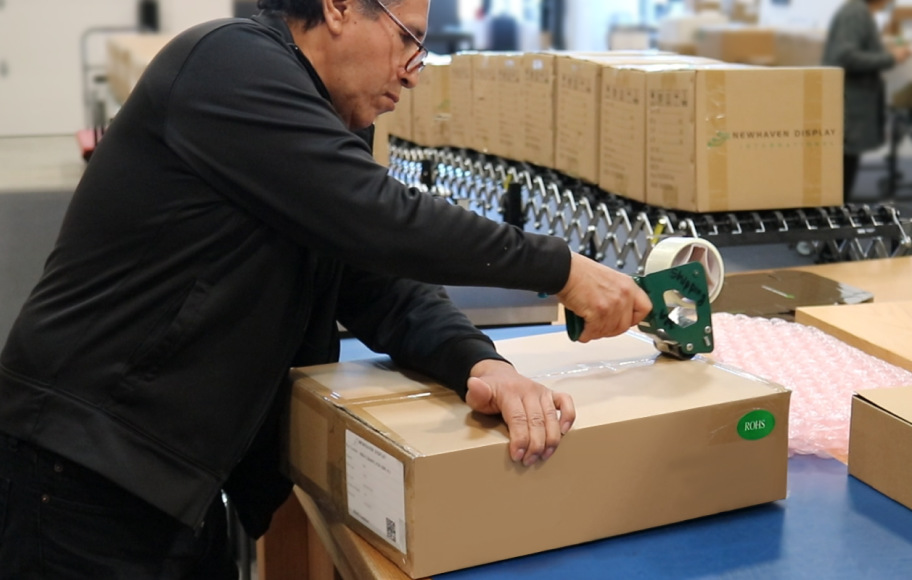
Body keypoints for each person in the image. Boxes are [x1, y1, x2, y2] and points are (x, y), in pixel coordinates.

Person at [0, 0, 651, 577]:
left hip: (178, 480)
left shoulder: (328, 116)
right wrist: (562, 269)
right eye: (407, 37)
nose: (414, 68)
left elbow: (375, 284)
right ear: (339, 7)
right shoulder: (229, 66)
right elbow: (381, 217)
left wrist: (479, 362)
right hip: (83, 467)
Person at [822, 0, 912, 200]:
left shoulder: (859, 13)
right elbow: (845, 56)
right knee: (843, 166)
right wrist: (891, 58)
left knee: (847, 162)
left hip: (852, 101)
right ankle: (838, 220)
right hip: (850, 101)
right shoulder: (856, 14)